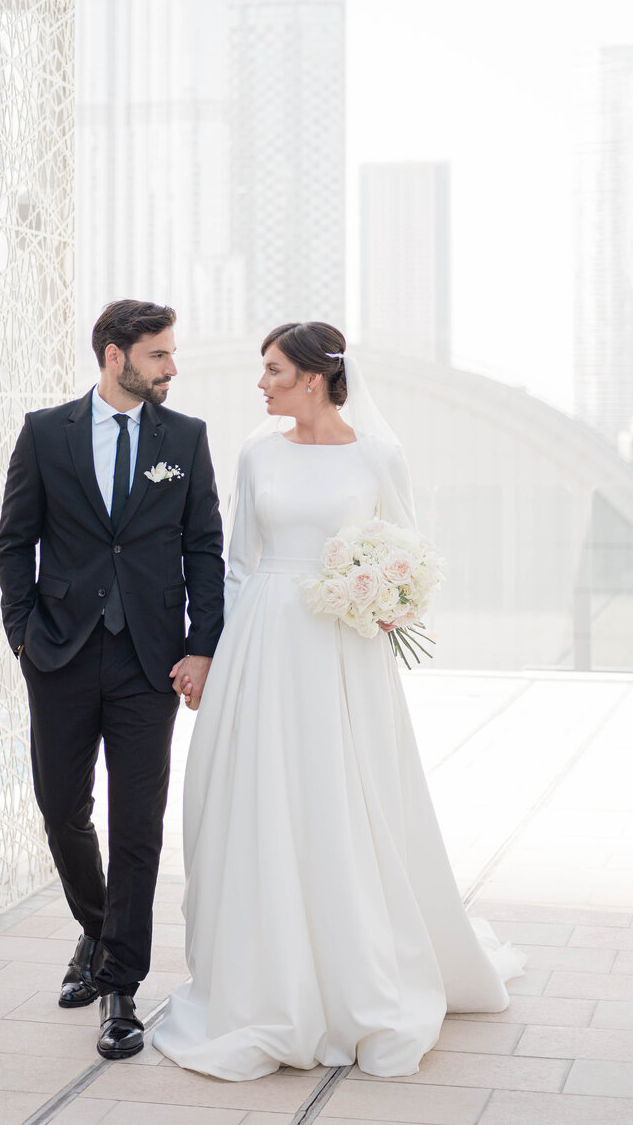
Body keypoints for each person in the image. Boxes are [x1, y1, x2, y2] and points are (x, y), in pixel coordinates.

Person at [153, 321, 524, 1080]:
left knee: (344, 799)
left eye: (274, 371)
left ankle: (360, 972)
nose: (261, 385)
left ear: (315, 377)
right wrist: (214, 657)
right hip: (265, 643)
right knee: (262, 797)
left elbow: (407, 550)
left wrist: (381, 594)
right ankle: (268, 977)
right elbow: (237, 563)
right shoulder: (257, 454)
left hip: (343, 651)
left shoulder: (380, 456)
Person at [0, 299, 224, 1061]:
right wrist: (22, 634)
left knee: (137, 823)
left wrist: (201, 646)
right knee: (62, 809)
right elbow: (14, 542)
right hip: (58, 651)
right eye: (159, 354)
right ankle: (97, 931)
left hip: (149, 659)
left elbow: (204, 550)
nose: (171, 367)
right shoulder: (44, 432)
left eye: (170, 354)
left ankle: (121, 985)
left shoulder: (185, 438)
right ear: (114, 354)